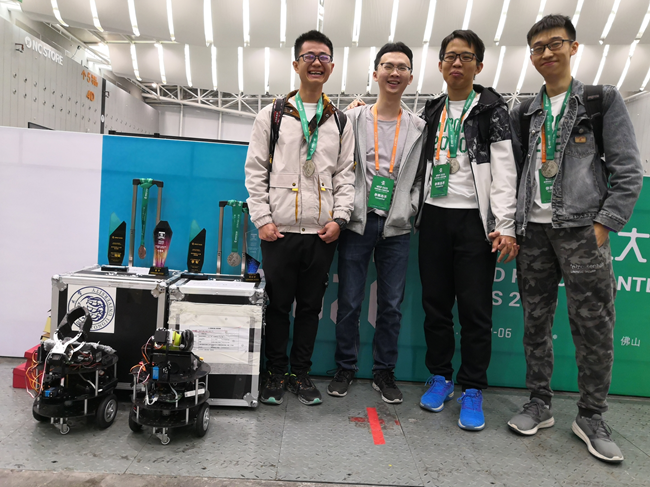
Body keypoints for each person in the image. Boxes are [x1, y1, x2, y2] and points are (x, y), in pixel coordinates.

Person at [507, 14, 643, 463]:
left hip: (583, 230)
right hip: (534, 232)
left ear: (573, 46)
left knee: (594, 325)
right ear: (531, 56)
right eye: (538, 47)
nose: (547, 53)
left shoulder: (601, 100)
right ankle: (539, 402)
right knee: (535, 321)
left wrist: (604, 225)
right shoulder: (523, 111)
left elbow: (628, 169)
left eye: (555, 43)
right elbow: (515, 172)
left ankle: (591, 415)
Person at [245, 30, 355, 406]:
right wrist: (262, 219)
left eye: (323, 57)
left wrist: (340, 218)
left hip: (322, 233)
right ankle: (276, 372)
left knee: (310, 308)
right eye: (309, 56)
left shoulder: (340, 121)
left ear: (332, 67)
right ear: (296, 64)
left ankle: (300, 373)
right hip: (278, 231)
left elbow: (346, 175)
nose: (316, 63)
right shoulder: (272, 115)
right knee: (277, 307)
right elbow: (255, 170)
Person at [416, 30, 518, 431]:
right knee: (435, 306)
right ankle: (440, 377)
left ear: (479, 65)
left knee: (475, 311)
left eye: (466, 57)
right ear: (440, 64)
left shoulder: (492, 109)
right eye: (450, 56)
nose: (457, 63)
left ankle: (473, 387)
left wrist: (504, 224)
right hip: (433, 216)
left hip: (475, 222)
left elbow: (505, 171)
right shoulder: (432, 109)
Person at [326, 42, 426, 404]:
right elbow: (338, 165)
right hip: (357, 222)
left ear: (410, 77)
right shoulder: (352, 119)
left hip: (396, 226)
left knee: (391, 306)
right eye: (387, 66)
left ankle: (384, 372)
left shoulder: (418, 127)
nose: (394, 72)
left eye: (402, 67)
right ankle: (345, 367)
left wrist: (408, 208)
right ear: (375, 73)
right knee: (349, 302)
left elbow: (421, 178)